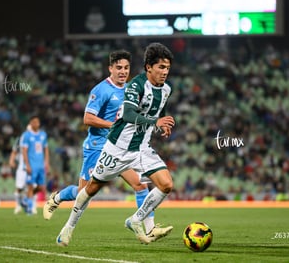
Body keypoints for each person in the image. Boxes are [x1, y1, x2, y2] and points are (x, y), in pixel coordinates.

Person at [43, 49, 172, 241]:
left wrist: (161, 121)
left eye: (126, 68)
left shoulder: (134, 87)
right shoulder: (101, 90)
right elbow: (87, 118)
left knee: (139, 184)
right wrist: (114, 125)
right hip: (99, 145)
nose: (123, 71)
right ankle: (58, 199)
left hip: (132, 147)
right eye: (118, 67)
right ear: (110, 68)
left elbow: (153, 107)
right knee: (86, 190)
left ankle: (148, 227)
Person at [21, 115, 50, 215]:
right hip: (32, 165)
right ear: (30, 123)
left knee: (41, 187)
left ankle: (25, 200)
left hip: (40, 166)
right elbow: (24, 151)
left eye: (37, 122)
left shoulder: (43, 135)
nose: (36, 124)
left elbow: (46, 149)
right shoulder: (27, 135)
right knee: (30, 187)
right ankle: (29, 209)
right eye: (33, 122)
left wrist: (46, 162)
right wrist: (27, 165)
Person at [9, 126, 29, 214]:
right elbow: (14, 151)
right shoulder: (20, 139)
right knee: (19, 188)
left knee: (32, 188)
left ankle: (29, 205)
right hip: (22, 168)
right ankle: (17, 206)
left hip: (33, 167)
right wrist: (11, 160)